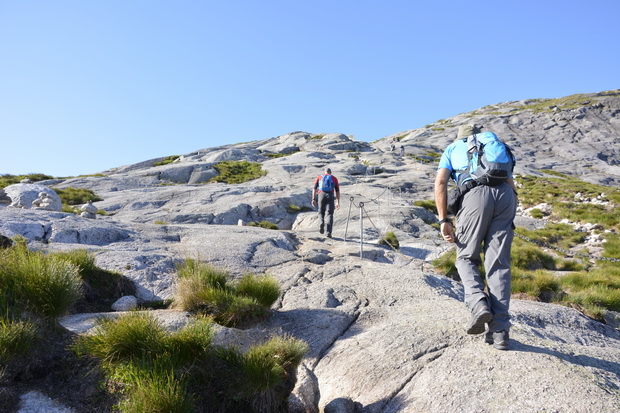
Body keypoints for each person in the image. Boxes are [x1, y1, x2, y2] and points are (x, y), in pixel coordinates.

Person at [434, 124, 517, 350]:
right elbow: (510, 181)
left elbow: (441, 182)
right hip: (506, 197)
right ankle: (500, 332)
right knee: (499, 264)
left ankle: (479, 303)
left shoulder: (453, 148)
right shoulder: (496, 146)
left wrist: (444, 220)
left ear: (461, 137)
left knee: (466, 257)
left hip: (475, 196)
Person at [311, 167, 340, 238]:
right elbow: (337, 191)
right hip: (330, 195)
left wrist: (314, 199)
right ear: (330, 172)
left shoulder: (319, 177)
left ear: (325, 172)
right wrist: (337, 202)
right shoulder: (334, 178)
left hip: (321, 195)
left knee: (321, 212)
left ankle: (321, 222)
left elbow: (314, 189)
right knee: (330, 213)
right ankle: (328, 232)